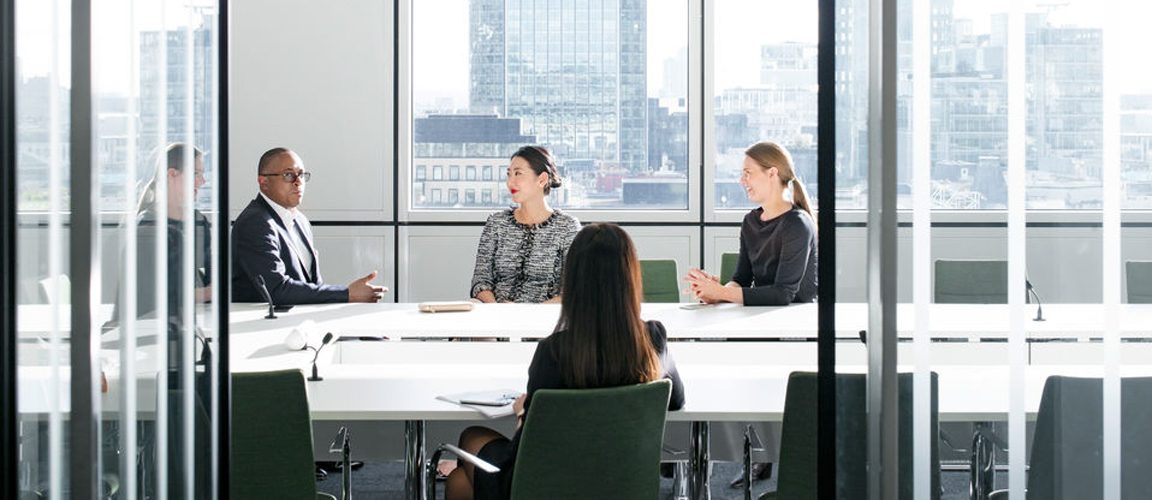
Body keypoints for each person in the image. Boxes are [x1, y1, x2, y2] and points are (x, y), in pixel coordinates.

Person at [446, 223, 686, 500]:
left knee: (470, 440)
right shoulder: (652, 338)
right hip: (622, 480)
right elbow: (675, 400)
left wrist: (522, 413)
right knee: (459, 481)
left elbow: (530, 440)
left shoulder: (553, 351)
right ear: (631, 278)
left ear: (573, 281)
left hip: (543, 485)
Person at [232, 147, 386, 304]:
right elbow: (276, 290)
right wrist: (346, 294)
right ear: (263, 182)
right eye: (288, 175)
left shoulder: (300, 220)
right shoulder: (255, 223)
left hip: (303, 317)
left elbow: (313, 285)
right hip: (263, 319)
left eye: (301, 174)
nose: (298, 182)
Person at [684, 141, 818, 306]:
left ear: (772, 173)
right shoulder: (750, 221)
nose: (742, 181)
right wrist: (715, 294)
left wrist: (722, 292)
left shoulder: (797, 224)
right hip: (759, 314)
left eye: (748, 173)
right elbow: (741, 280)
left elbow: (782, 294)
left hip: (795, 318)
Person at [470, 145, 580, 303]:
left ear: (542, 179)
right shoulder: (496, 223)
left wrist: (526, 312)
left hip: (544, 315)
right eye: (509, 174)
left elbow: (572, 291)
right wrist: (497, 310)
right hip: (496, 313)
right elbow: (480, 282)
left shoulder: (567, 227)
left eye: (518, 174)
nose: (510, 182)